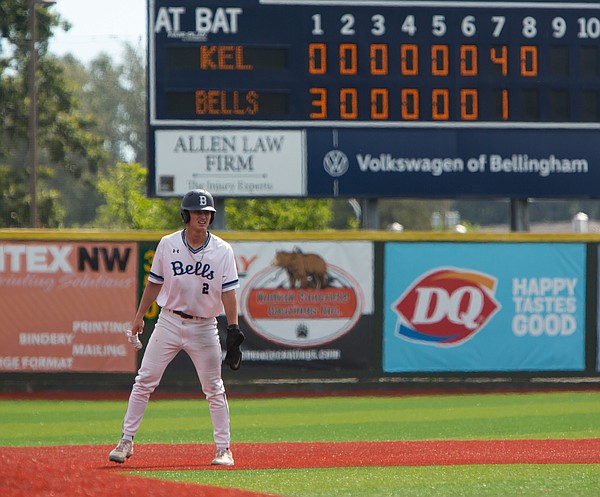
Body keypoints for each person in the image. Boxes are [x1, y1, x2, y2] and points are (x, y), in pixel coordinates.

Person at [108, 189, 245, 466]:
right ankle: (126, 440)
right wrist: (139, 316)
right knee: (144, 380)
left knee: (214, 388)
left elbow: (228, 292)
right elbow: (154, 282)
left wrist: (233, 327)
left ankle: (223, 448)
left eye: (207, 213)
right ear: (186, 215)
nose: (203, 217)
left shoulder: (222, 250)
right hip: (169, 321)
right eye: (197, 212)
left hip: (205, 326)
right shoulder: (168, 244)